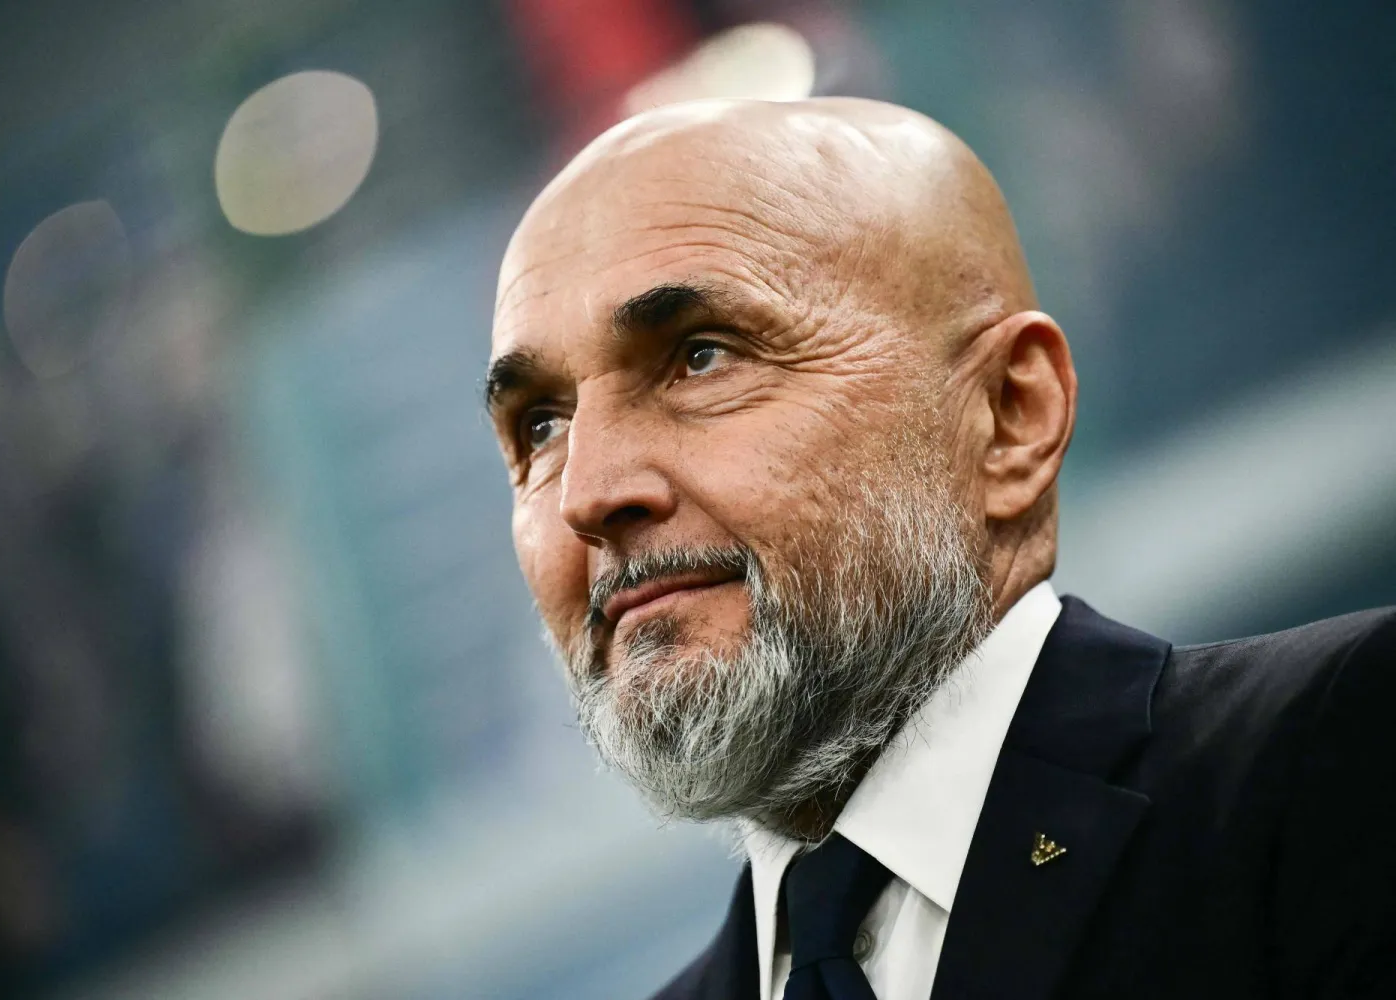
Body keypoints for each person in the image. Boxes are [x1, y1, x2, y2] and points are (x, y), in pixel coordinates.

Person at [483, 98, 1396, 1000]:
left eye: (702, 356)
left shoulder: (1342, 756)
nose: (589, 494)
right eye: (542, 425)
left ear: (1009, 415)